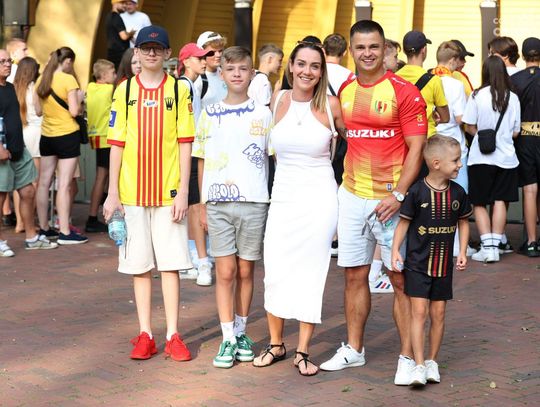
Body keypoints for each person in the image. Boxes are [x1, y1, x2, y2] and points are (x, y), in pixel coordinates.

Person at [320, 20, 427, 387]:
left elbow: (417, 148)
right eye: (361, 47)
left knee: (399, 279)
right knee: (354, 274)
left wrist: (398, 195)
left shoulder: (405, 91)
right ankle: (354, 348)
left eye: (374, 47)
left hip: (390, 200)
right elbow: (348, 137)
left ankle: (408, 357)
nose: (367, 53)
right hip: (352, 195)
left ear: (385, 50)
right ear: (351, 50)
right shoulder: (346, 89)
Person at [252, 41, 344, 377]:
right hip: (283, 196)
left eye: (314, 66)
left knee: (311, 272)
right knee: (275, 269)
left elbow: (357, 144)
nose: (307, 71)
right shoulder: (277, 99)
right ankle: (276, 344)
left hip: (320, 199)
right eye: (301, 64)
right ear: (291, 66)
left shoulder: (332, 105)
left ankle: (303, 350)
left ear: (322, 71)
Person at [104, 25, 195, 361]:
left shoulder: (179, 89)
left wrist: (184, 191)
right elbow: (116, 143)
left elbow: (185, 143)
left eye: (158, 48)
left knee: (170, 265)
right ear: (137, 53)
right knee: (139, 265)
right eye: (146, 48)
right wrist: (112, 193)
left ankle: (173, 334)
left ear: (168, 53)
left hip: (169, 193)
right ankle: (146, 333)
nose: (152, 53)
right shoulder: (125, 90)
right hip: (131, 193)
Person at [193, 46, 272, 369]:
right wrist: (202, 204)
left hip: (254, 201)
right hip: (218, 203)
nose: (237, 74)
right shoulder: (209, 114)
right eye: (230, 69)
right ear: (222, 74)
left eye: (242, 68)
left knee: (246, 270)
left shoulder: (263, 113)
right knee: (225, 271)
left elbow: (274, 156)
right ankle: (226, 336)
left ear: (252, 73)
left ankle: (241, 331)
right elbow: (200, 159)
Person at [391, 135, 472, 386]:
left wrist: (462, 251)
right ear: (436, 163)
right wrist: (395, 250)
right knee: (419, 313)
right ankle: (418, 365)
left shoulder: (458, 193)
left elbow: (463, 222)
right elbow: (403, 224)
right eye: (455, 160)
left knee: (439, 313)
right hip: (417, 265)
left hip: (443, 265)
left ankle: (432, 362)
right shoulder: (416, 192)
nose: (459, 165)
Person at [462, 56, 521, 263]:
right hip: (506, 157)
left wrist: (482, 135)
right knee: (500, 201)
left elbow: (468, 125)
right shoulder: (513, 98)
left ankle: (486, 248)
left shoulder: (477, 96)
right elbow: (516, 132)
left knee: (479, 202)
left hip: (480, 157)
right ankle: (495, 247)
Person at [0, 48, 58, 256]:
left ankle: (32, 237)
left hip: (19, 149)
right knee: (1, 197)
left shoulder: (9, 88)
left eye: (9, 61)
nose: (7, 64)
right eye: (2, 61)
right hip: (3, 152)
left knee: (28, 192)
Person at [35, 47, 88, 245]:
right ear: (67, 62)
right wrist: (79, 100)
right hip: (67, 135)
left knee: (44, 182)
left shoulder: (41, 80)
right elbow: (74, 111)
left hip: (47, 135)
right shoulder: (68, 79)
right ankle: (65, 231)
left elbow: (38, 111)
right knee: (64, 184)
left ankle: (44, 228)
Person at [177, 42, 214, 285]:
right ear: (186, 61)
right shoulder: (183, 85)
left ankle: (195, 257)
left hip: (194, 150)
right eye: (199, 58)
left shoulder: (191, 84)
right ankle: (197, 258)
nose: (203, 61)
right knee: (194, 206)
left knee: (194, 205)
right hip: (189, 151)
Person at [511, 37, 540, 257]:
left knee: (530, 189)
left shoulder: (515, 80)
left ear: (522, 56)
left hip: (524, 138)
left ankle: (531, 242)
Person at [397, 30, 449, 138]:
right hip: (425, 137)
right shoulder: (433, 80)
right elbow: (445, 118)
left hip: (401, 137)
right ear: (424, 50)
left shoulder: (394, 78)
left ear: (405, 51)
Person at [85, 59, 116, 233]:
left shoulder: (90, 87)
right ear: (103, 75)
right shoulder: (109, 90)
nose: (115, 75)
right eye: (112, 72)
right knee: (102, 176)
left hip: (95, 136)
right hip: (106, 137)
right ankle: (92, 217)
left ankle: (100, 206)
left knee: (104, 176)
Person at [12, 57, 42, 233]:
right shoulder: (34, 88)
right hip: (35, 134)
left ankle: (19, 222)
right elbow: (39, 111)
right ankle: (30, 220)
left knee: (20, 182)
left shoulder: (13, 88)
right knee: (33, 182)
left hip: (20, 134)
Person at [195, 31, 228, 109]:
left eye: (220, 51)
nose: (218, 55)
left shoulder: (227, 74)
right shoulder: (197, 79)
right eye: (212, 52)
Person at [106, 0, 134, 69]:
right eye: (122, 3)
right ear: (114, 3)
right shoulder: (116, 17)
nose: (125, 6)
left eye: (126, 3)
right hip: (119, 54)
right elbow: (124, 36)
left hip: (112, 52)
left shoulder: (109, 16)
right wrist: (131, 33)